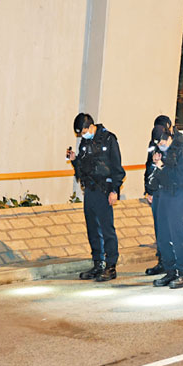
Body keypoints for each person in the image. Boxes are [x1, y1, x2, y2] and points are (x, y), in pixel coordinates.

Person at [69, 113, 125, 282]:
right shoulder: (86, 143)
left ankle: (110, 266)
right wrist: (74, 160)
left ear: (90, 126)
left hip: (104, 190)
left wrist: (114, 190)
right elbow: (84, 166)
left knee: (107, 229)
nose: (82, 136)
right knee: (92, 228)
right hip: (90, 191)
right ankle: (98, 263)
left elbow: (117, 167)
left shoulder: (109, 139)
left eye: (83, 132)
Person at [149, 124, 183, 289]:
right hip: (164, 195)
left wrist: (162, 167)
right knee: (162, 235)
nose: (160, 144)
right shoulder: (161, 152)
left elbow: (180, 176)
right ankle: (170, 271)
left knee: (178, 235)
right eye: (157, 142)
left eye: (162, 140)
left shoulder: (182, 150)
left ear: (169, 137)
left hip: (179, 195)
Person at [144, 116, 168, 277]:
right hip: (156, 192)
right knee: (159, 229)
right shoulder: (153, 145)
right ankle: (162, 261)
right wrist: (148, 190)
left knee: (172, 229)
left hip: (170, 192)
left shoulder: (175, 145)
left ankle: (181, 263)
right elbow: (148, 167)